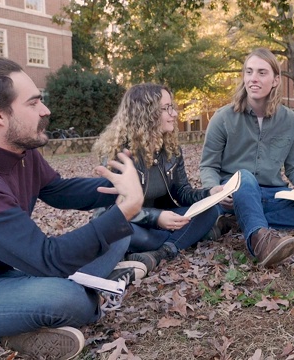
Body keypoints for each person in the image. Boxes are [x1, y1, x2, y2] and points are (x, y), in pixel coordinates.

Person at [0, 39, 146, 358]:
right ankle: (16, 329)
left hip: (9, 271)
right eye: (34, 102)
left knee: (118, 232)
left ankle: (28, 322)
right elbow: (47, 259)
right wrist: (127, 209)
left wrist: (120, 187)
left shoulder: (17, 147)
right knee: (66, 297)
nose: (46, 110)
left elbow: (58, 190)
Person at [199, 48, 294, 268]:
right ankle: (260, 240)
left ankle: (241, 220)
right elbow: (208, 165)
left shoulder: (290, 120)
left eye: (261, 73)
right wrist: (213, 189)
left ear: (275, 80)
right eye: (249, 72)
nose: (253, 78)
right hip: (234, 192)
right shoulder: (223, 117)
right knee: (243, 176)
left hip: (273, 195)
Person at [93, 83, 221, 274]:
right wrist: (156, 218)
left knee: (210, 211)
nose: (174, 114)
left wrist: (209, 193)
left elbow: (182, 192)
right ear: (146, 114)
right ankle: (185, 238)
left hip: (164, 219)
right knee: (134, 236)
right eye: (166, 108)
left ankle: (161, 253)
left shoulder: (170, 150)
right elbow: (111, 210)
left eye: (172, 107)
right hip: (132, 225)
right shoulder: (118, 155)